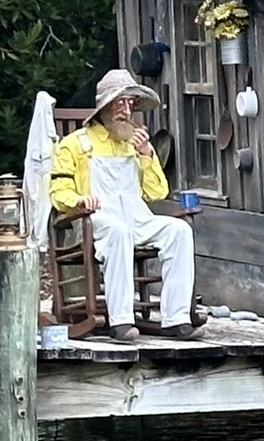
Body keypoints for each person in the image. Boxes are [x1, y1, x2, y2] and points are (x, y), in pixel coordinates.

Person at [50, 69, 199, 341]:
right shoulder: (76, 144)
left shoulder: (134, 145)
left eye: (130, 103)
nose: (126, 110)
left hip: (136, 216)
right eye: (119, 102)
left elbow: (156, 193)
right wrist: (79, 200)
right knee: (118, 231)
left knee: (179, 231)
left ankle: (176, 319)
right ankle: (120, 321)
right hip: (93, 218)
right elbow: (58, 191)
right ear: (104, 107)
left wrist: (147, 155)